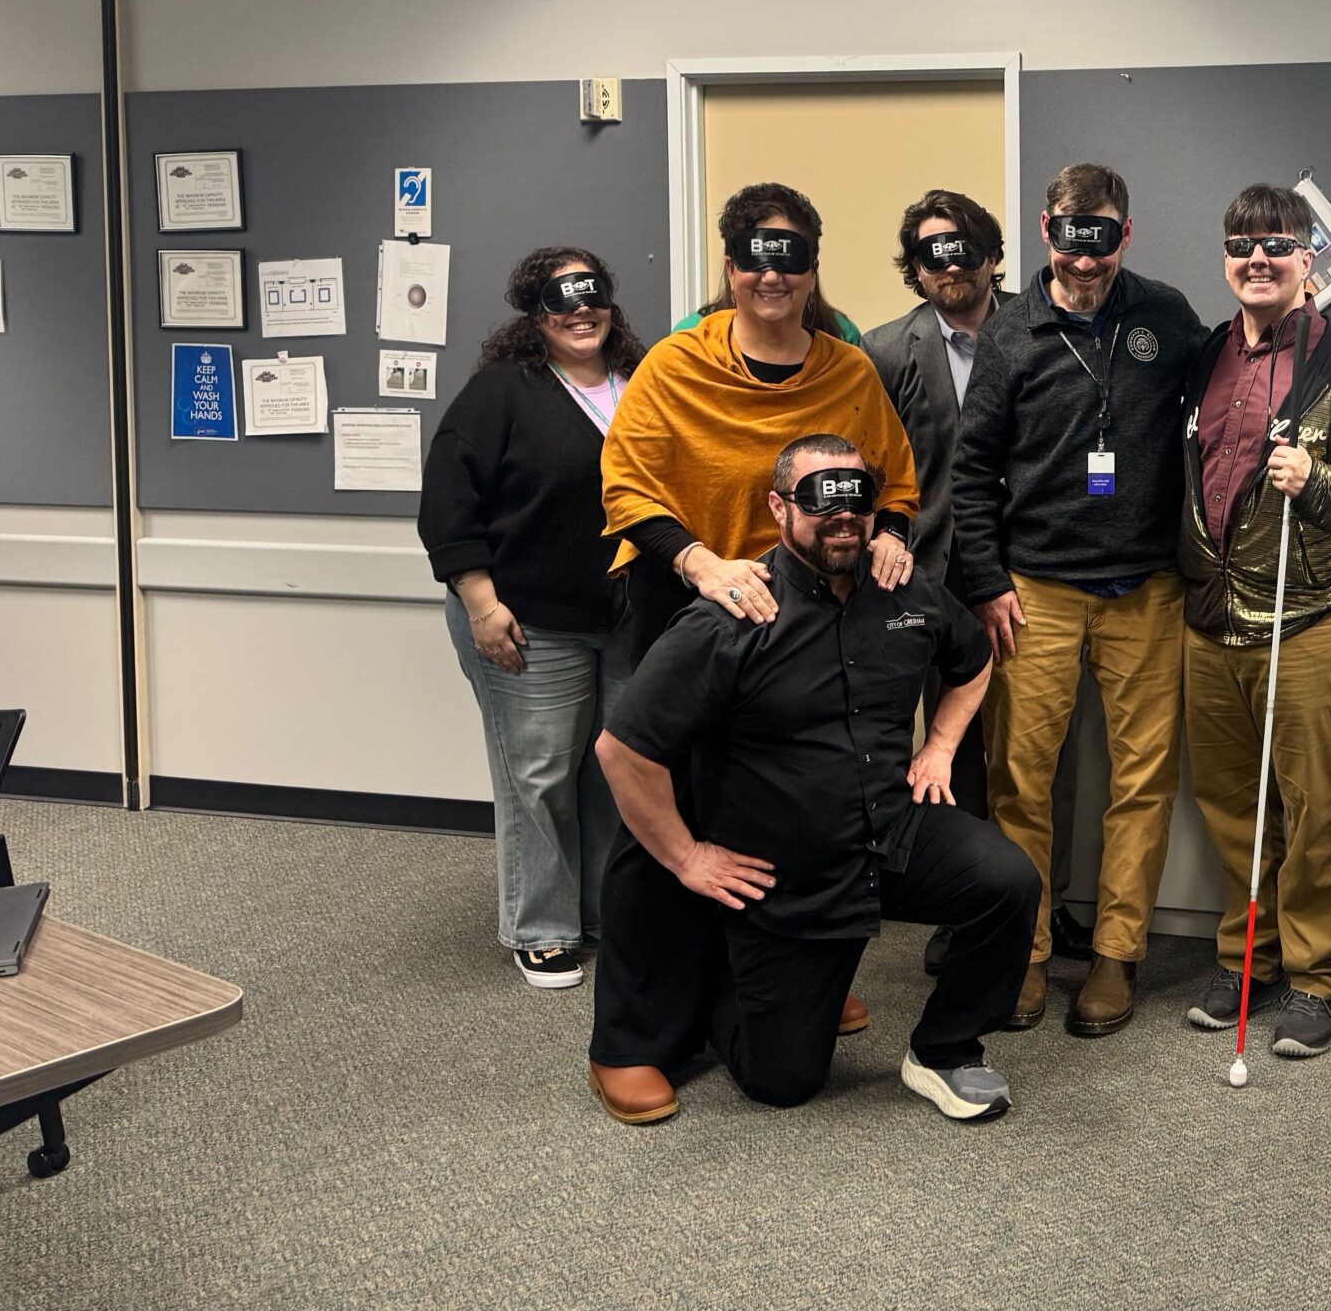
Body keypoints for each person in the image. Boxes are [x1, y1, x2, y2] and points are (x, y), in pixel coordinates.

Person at [589, 436, 1038, 1125]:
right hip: (785, 878)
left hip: (890, 834)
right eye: (820, 501)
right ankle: (728, 978)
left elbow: (972, 659)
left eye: (856, 501)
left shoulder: (906, 593)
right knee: (784, 1081)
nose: (842, 518)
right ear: (778, 507)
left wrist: (942, 745)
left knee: (1008, 881)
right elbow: (621, 750)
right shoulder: (732, 618)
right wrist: (687, 858)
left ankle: (944, 1050)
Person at [588, 181, 921, 1087]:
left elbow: (892, 479)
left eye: (793, 260)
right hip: (699, 613)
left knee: (792, 805)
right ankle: (632, 1040)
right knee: (663, 821)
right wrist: (701, 563)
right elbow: (627, 486)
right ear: (731, 268)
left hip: (806, 623)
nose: (774, 278)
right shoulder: (673, 365)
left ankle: (786, 979)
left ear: (813, 271)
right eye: (756, 259)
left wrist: (891, 533)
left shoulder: (847, 370)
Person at [951, 162, 1209, 1038]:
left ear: (1125, 234)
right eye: (1070, 235)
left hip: (1148, 587)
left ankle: (1115, 955)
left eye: (1101, 237)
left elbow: (1245, 375)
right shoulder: (1010, 331)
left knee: (1141, 782)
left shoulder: (1167, 316)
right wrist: (984, 581)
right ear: (1045, 230)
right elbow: (973, 468)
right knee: (1021, 780)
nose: (1085, 256)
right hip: (1036, 590)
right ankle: (1020, 955)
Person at [1176, 184, 1331, 1060]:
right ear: (1226, 258)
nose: (1259, 259)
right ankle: (1249, 958)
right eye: (1243, 244)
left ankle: (1316, 975)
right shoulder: (1203, 356)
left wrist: (1317, 481)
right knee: (1230, 806)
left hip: (1309, 613)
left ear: (1307, 259)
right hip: (1210, 616)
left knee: (1312, 803)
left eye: (1278, 245)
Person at [418, 248, 648, 988]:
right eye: (561, 300)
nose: (580, 311)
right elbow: (448, 504)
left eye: (592, 295)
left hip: (625, 614)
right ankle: (542, 926)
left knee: (615, 769)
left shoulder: (641, 386)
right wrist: (480, 604)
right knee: (541, 771)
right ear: (536, 312)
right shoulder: (501, 393)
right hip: (524, 618)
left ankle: (604, 911)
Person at [863, 189, 1014, 822]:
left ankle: (1035, 905)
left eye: (964, 249)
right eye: (933, 253)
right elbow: (870, 466)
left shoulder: (1039, 334)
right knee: (940, 746)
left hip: (1024, 573)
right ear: (916, 266)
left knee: (1024, 750)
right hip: (924, 574)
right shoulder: (886, 351)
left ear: (991, 255)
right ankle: (960, 901)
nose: (951, 266)